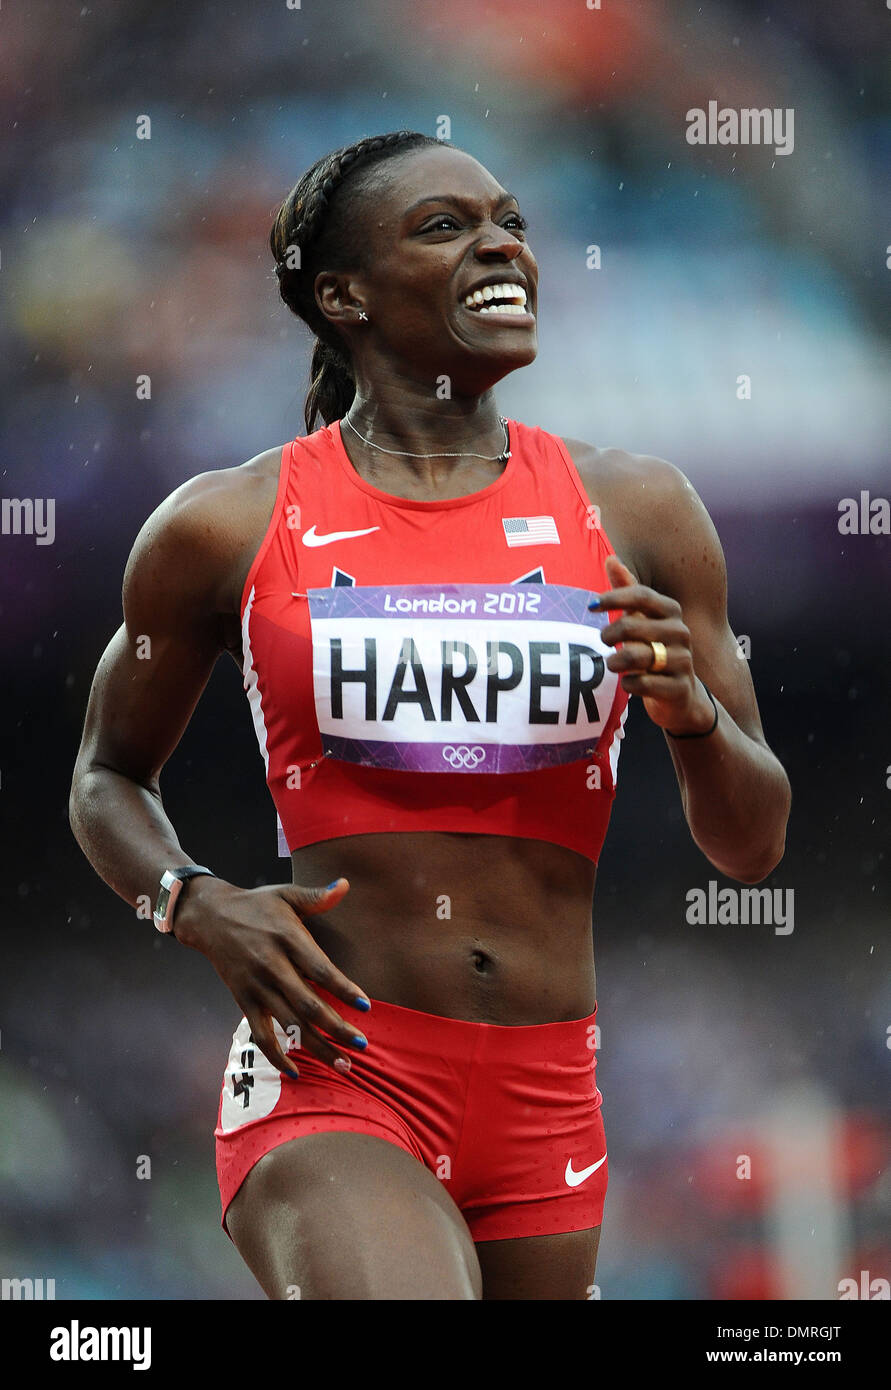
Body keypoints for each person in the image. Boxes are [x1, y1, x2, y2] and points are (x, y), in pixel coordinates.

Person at [69, 130, 791, 1301]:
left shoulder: (641, 509)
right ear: (340, 295)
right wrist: (192, 900)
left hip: (549, 1091)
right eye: (445, 226)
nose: (501, 242)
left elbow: (752, 844)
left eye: (509, 218)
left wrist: (692, 713)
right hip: (339, 1068)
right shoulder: (228, 523)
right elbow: (106, 775)